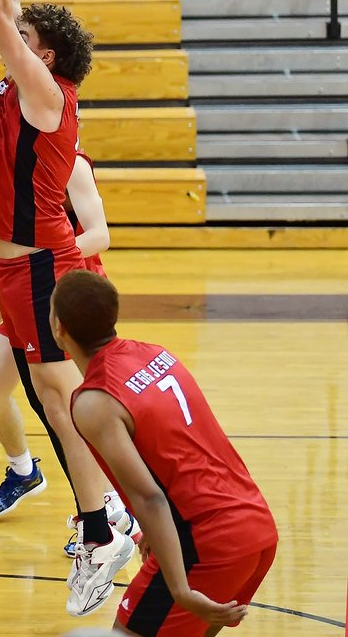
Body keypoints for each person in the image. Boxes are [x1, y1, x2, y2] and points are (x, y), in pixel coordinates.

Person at [0, 0, 133, 617]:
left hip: (40, 267)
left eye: (30, 37)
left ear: (47, 58)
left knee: (62, 401)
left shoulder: (42, 92)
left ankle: (105, 530)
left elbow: (0, 14)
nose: (14, 30)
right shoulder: (28, 79)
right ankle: (106, 512)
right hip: (17, 271)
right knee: (43, 399)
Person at [58, 269, 279, 634]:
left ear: (58, 327)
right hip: (255, 527)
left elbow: (149, 496)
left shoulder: (93, 401)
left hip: (207, 543)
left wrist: (179, 589)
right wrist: (158, 537)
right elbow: (178, 454)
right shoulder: (156, 354)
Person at [0, 150, 135, 558]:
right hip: (25, 296)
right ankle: (24, 471)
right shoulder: (14, 166)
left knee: (70, 413)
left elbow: (100, 235)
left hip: (64, 293)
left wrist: (36, 257)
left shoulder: (73, 164)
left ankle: (112, 512)